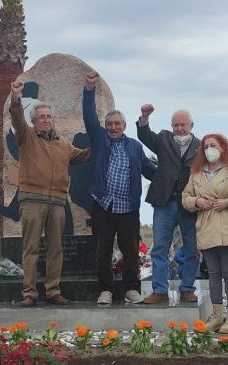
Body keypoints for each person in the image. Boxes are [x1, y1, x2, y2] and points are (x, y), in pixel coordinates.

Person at [9, 80, 91, 307]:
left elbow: (83, 156)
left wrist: (103, 147)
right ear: (33, 122)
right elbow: (16, 118)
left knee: (56, 249)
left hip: (57, 202)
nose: (46, 120)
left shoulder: (62, 143)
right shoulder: (26, 137)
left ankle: (53, 290)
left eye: (49, 117)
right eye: (42, 117)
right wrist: (16, 97)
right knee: (31, 248)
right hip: (32, 200)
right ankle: (29, 293)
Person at [83, 71, 156, 305]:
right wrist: (89, 90)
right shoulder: (99, 139)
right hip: (103, 204)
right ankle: (105, 290)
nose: (113, 127)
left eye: (117, 124)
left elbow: (149, 170)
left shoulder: (134, 147)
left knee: (131, 251)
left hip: (128, 206)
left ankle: (131, 290)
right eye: (109, 124)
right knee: (102, 250)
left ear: (124, 125)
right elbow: (89, 117)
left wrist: (171, 178)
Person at [182, 133, 228, 334]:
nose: (209, 149)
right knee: (213, 274)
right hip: (206, 226)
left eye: (213, 145)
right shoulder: (196, 173)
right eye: (206, 146)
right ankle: (216, 315)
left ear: (223, 148)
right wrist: (196, 202)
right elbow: (186, 197)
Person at [136, 103, 200, 305]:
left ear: (191, 125)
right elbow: (145, 136)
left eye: (183, 125)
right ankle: (160, 290)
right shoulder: (163, 139)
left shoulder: (202, 146)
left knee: (192, 248)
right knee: (159, 249)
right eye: (175, 125)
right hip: (164, 203)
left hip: (189, 204)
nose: (179, 129)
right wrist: (144, 118)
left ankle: (187, 289)